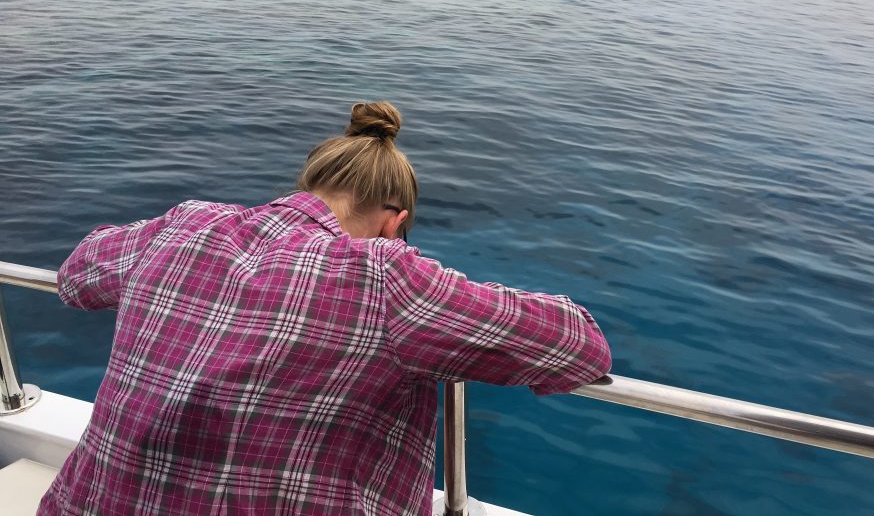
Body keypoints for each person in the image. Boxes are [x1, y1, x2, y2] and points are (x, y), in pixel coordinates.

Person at [38, 101, 612, 516]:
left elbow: (75, 278)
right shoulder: (389, 274)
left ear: (310, 185)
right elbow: (578, 347)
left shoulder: (185, 223)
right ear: (395, 224)